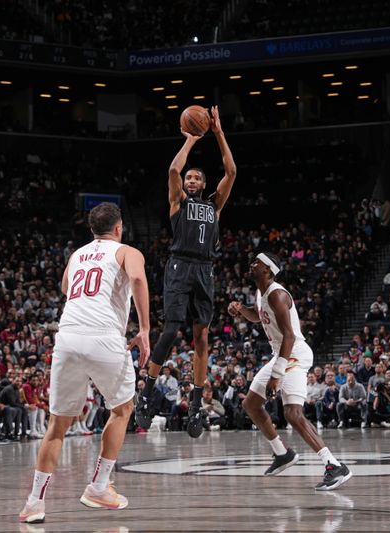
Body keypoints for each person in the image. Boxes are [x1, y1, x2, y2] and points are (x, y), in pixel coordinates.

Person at [20, 202, 150, 523]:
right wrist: (145, 329)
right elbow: (136, 279)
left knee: (57, 425)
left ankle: (34, 503)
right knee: (122, 409)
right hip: (103, 335)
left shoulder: (77, 254)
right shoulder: (127, 251)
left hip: (68, 335)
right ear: (119, 228)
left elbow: (66, 287)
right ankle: (99, 485)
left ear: (92, 230)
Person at [136, 105, 237, 438]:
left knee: (202, 337)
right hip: (180, 264)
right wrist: (192, 139)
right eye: (190, 177)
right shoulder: (178, 200)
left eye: (197, 177)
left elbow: (232, 172)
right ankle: (147, 391)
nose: (191, 179)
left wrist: (219, 133)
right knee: (171, 330)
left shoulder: (214, 205)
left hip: (205, 270)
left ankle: (196, 403)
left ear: (204, 184)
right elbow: (173, 171)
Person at [228, 253, 350, 491]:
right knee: (251, 404)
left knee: (293, 413)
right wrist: (242, 309)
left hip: (294, 352)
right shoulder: (261, 293)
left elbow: (290, 335)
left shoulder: (277, 294)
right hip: (281, 354)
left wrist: (277, 373)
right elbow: (258, 316)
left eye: (257, 262)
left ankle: (334, 465)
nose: (251, 264)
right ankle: (282, 454)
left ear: (268, 270)